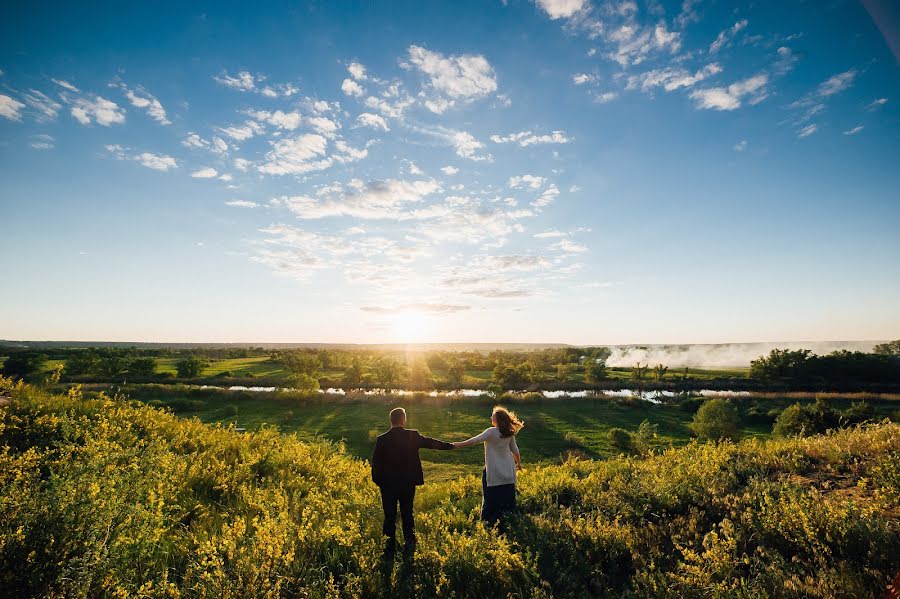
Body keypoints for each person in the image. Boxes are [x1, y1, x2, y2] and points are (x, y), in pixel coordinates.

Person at [371, 407, 454, 552]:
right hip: (407, 484)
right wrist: (450, 446)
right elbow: (431, 443)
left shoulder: (382, 439)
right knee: (407, 513)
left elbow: (376, 465)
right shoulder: (412, 436)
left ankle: (388, 547)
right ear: (403, 420)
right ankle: (410, 544)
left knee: (389, 515)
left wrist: (380, 482)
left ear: (391, 421)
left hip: (387, 486)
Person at [452, 406, 523, 527]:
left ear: (497, 419)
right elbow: (515, 451)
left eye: (492, 416)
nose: (491, 417)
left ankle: (487, 524)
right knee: (507, 498)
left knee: (490, 498)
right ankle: (508, 521)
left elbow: (475, 440)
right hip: (508, 470)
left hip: (493, 471)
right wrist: (519, 465)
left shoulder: (491, 432)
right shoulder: (509, 432)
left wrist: (456, 445)